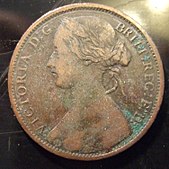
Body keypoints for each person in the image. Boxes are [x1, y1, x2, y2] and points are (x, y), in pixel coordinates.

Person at [47, 16, 131, 153]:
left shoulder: (113, 128)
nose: (50, 63)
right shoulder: (74, 116)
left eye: (57, 52)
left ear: (85, 58)